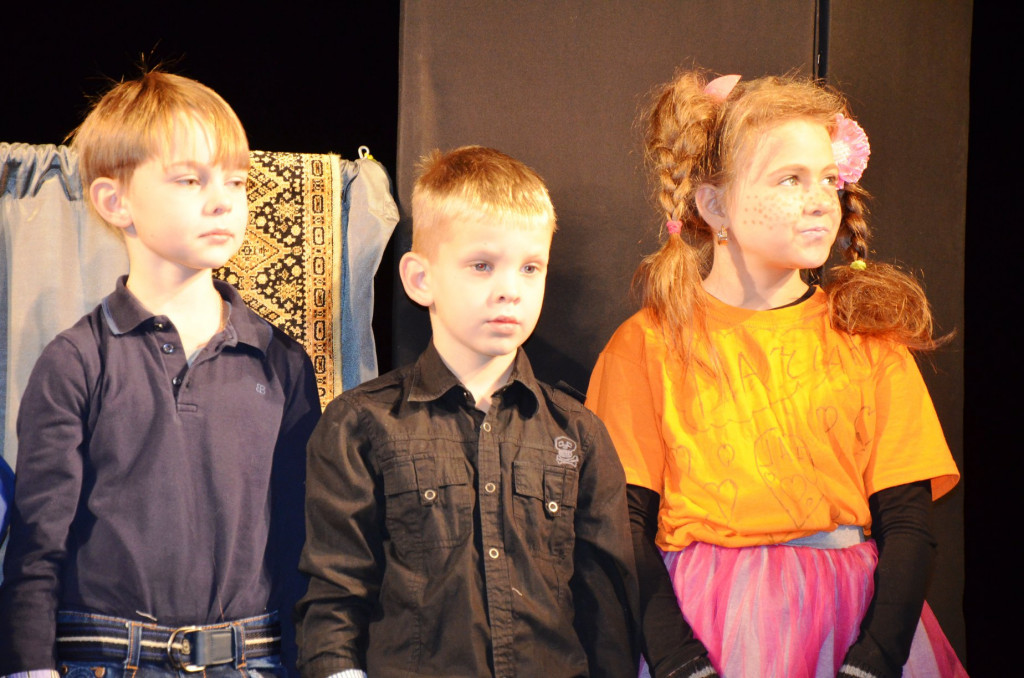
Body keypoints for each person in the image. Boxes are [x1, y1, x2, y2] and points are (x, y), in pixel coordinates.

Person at [585, 70, 968, 678]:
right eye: (790, 179)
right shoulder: (647, 345)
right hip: (706, 627)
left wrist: (875, 660)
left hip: (846, 622)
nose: (820, 200)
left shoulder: (869, 341)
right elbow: (621, 525)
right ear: (714, 204)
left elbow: (908, 523)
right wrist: (678, 661)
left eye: (828, 180)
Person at [0, 70, 321, 677]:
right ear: (114, 202)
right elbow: (36, 546)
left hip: (252, 660)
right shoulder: (74, 361)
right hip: (105, 659)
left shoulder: (282, 361)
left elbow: (301, 543)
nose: (223, 200)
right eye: (189, 180)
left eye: (236, 180)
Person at [295, 145, 638, 678]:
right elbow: (334, 601)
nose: (510, 291)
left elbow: (607, 613)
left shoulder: (579, 434)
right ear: (420, 279)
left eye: (530, 268)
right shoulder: (358, 426)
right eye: (482, 266)